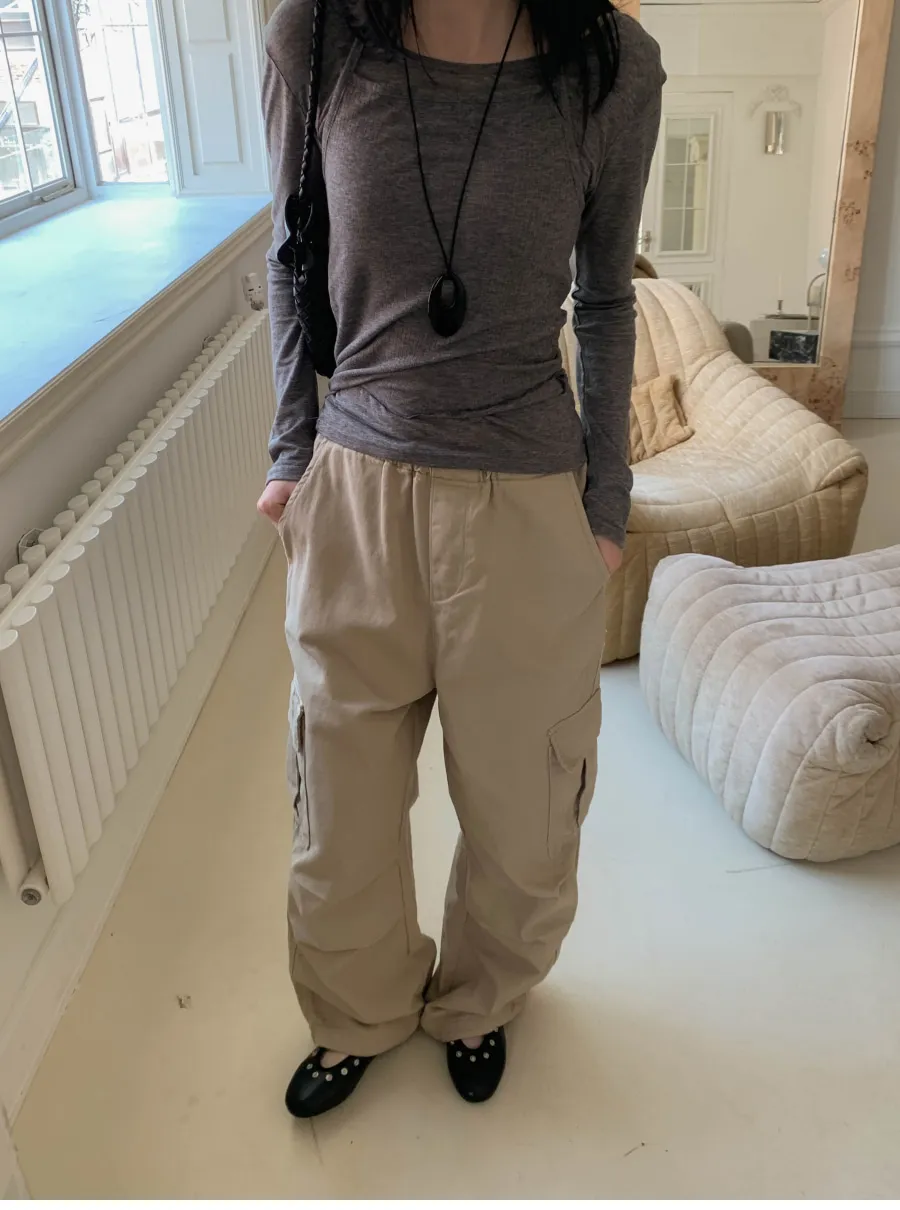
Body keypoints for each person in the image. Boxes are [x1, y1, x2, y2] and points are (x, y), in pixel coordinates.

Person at [258, 0, 663, 1118]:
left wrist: (606, 502)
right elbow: (291, 261)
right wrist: (292, 455)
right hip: (357, 498)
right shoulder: (317, 38)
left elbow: (609, 299)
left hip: (527, 505)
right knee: (337, 813)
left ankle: (480, 1002)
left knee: (524, 818)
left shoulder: (614, 66)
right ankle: (359, 1014)